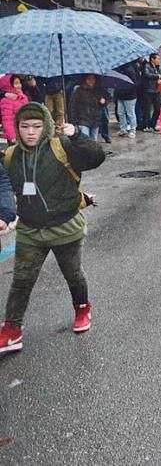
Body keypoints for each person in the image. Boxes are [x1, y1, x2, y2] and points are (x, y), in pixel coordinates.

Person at [0, 102, 105, 355]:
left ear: (46, 126)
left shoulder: (62, 147)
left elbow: (96, 157)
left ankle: (82, 308)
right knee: (22, 280)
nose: (31, 132)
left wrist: (76, 135)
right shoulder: (12, 155)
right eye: (25, 126)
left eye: (37, 126)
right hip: (30, 230)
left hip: (65, 227)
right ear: (17, 128)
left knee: (73, 274)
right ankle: (12, 329)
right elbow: (7, 185)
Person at [67, 75, 106, 141]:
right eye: (89, 79)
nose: (91, 81)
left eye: (93, 79)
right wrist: (73, 122)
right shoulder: (79, 91)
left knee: (93, 142)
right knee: (85, 141)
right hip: (82, 120)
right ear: (85, 79)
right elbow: (72, 106)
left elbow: (104, 101)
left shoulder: (99, 90)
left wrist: (103, 102)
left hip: (96, 120)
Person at [0, 75, 30, 145]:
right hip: (14, 135)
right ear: (9, 86)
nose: (19, 85)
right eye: (16, 83)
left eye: (19, 83)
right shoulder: (6, 101)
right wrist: (12, 136)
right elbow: (7, 121)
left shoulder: (23, 97)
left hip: (25, 132)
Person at [113, 60, 140, 138]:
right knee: (120, 112)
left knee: (130, 113)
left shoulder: (130, 71)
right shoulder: (119, 70)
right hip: (120, 95)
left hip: (129, 96)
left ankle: (133, 130)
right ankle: (123, 129)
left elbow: (134, 84)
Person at [140, 54, 161, 132]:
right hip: (148, 90)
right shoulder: (147, 66)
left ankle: (152, 124)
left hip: (156, 90)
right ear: (152, 59)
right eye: (158, 59)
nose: (159, 60)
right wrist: (157, 76)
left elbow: (160, 76)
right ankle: (146, 125)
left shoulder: (157, 67)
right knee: (147, 110)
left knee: (158, 109)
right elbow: (146, 75)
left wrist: (160, 80)